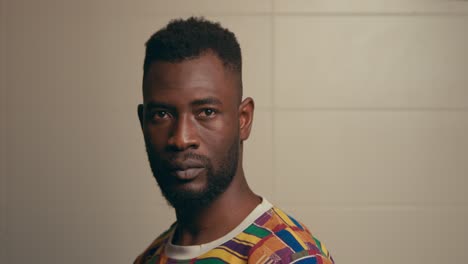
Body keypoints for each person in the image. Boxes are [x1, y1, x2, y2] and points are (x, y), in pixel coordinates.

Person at [135, 17, 334, 264]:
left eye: (206, 112)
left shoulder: (287, 257)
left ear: (243, 120)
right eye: (161, 114)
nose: (181, 138)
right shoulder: (150, 257)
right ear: (142, 122)